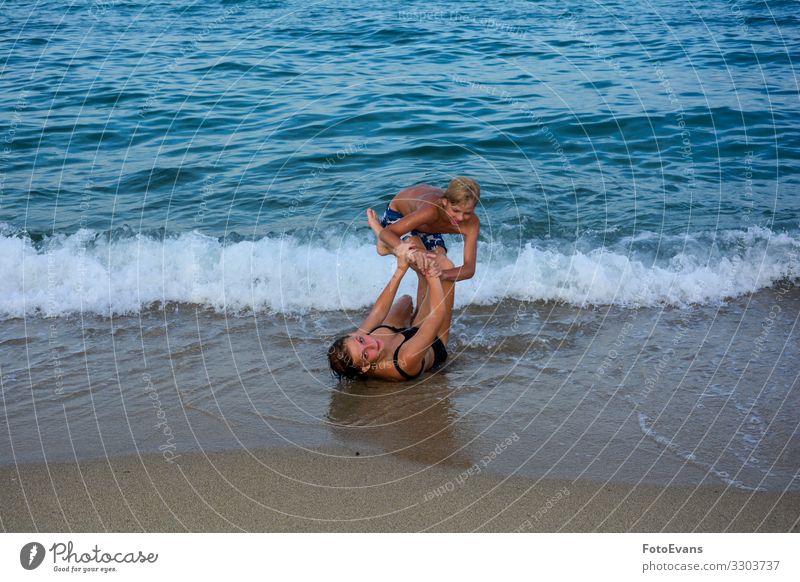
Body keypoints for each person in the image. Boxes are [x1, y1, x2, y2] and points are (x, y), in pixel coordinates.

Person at [327, 244, 455, 381]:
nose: (371, 344)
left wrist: (401, 269)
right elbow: (437, 316)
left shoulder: (354, 344)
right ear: (364, 368)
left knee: (405, 301)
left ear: (351, 336)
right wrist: (432, 275)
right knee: (444, 265)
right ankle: (422, 272)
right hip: (433, 340)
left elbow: (377, 313)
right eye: (365, 355)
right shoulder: (404, 360)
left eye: (361, 339)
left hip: (398, 334)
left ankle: (411, 260)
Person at [366, 176, 481, 283]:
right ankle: (384, 243)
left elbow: (469, 269)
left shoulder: (471, 223)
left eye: (467, 213)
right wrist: (412, 253)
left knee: (441, 265)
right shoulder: (430, 210)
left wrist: (443, 274)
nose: (460, 218)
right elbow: (388, 233)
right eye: (455, 211)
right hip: (400, 215)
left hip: (427, 226)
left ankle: (423, 305)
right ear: (445, 202)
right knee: (425, 263)